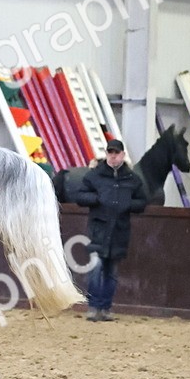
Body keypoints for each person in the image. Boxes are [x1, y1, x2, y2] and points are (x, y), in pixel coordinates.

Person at [72, 138, 147, 321]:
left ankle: (104, 307)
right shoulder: (94, 176)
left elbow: (142, 202)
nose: (113, 157)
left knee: (111, 271)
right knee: (96, 267)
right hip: (99, 229)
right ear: (107, 154)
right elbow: (80, 196)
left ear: (122, 155)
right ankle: (94, 306)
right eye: (110, 153)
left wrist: (127, 204)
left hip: (119, 231)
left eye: (116, 153)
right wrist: (96, 199)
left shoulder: (132, 179)